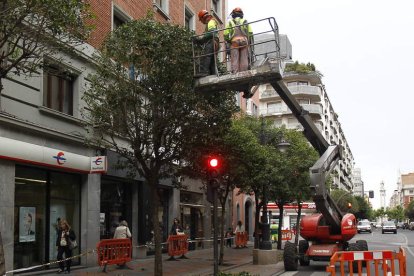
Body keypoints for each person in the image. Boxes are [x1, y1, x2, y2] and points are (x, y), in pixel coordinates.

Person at [224, 7, 253, 74]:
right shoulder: (245, 21)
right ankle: (244, 72)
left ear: (233, 15)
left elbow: (225, 34)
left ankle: (235, 73)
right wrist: (248, 41)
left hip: (234, 42)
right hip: (244, 41)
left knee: (234, 59)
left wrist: (228, 40)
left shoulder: (230, 22)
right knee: (244, 58)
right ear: (241, 14)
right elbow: (250, 33)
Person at [194, 10, 219, 77]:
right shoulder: (211, 22)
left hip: (212, 42)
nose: (201, 22)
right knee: (212, 61)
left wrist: (201, 38)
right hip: (214, 42)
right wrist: (200, 40)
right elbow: (207, 35)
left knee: (206, 56)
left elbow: (211, 33)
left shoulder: (211, 22)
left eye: (201, 20)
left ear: (203, 17)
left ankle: (204, 72)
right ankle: (213, 74)